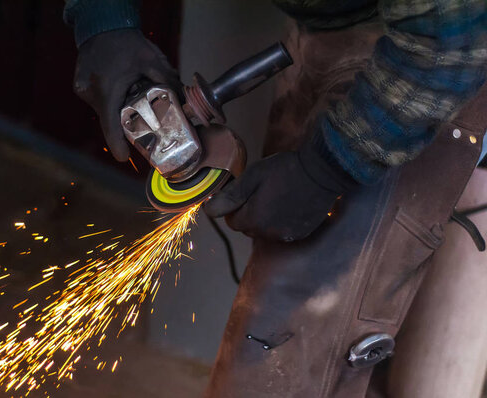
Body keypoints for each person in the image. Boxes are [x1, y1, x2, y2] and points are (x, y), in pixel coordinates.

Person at [63, 0, 487, 396]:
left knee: (283, 360)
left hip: (443, 56)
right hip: (338, 24)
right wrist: (104, 20)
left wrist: (327, 166)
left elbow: (451, 44)